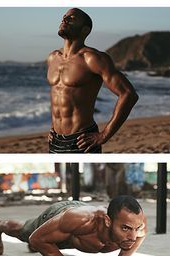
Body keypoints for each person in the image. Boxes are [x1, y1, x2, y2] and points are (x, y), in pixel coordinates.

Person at [0, 195, 147, 256]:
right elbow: (36, 239)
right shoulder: (81, 220)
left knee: (47, 242)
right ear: (107, 221)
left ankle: (50, 240)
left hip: (72, 233)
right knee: (24, 232)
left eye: (136, 228)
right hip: (60, 215)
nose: (132, 236)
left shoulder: (137, 221)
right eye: (125, 228)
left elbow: (141, 234)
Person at [47, 8, 138, 153]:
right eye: (64, 17)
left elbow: (128, 94)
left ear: (85, 30)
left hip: (82, 140)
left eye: (71, 18)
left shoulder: (93, 59)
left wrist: (104, 135)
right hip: (54, 140)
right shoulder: (53, 58)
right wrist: (53, 127)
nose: (64, 19)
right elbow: (59, 96)